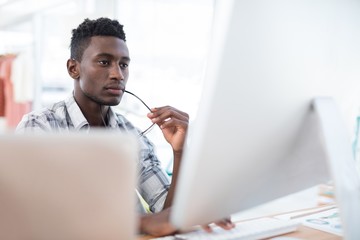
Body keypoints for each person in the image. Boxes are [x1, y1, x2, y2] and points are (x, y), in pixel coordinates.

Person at [16, 17, 234, 237]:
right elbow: (38, 216)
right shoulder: (40, 127)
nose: (118, 74)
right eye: (104, 62)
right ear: (74, 68)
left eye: (123, 64)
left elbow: (166, 215)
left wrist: (179, 152)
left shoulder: (131, 135)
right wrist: (141, 223)